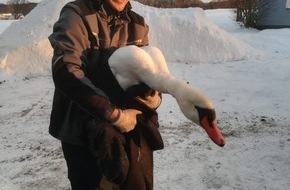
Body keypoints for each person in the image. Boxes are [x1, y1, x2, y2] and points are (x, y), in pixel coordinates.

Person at [48, 0, 164, 189]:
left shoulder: (138, 24)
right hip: (81, 132)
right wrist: (113, 114)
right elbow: (66, 70)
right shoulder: (76, 14)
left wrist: (152, 96)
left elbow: (145, 74)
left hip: (127, 133)